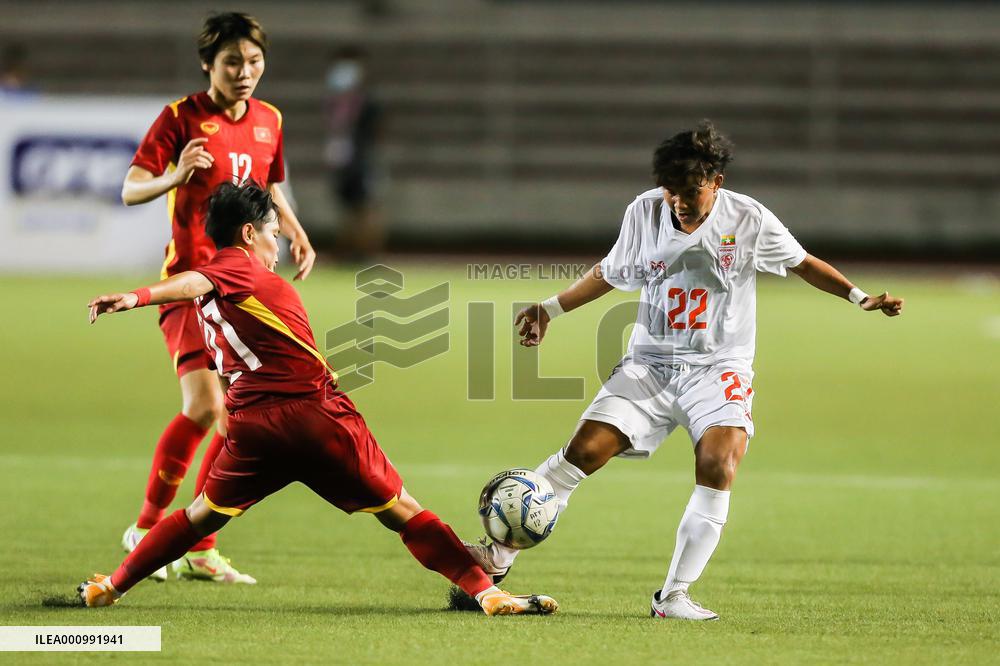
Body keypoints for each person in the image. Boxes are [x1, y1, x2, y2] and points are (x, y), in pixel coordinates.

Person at [465, 121, 904, 620]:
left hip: (719, 368)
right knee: (581, 454)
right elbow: (611, 272)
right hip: (649, 364)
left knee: (718, 463)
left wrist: (859, 296)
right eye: (672, 191)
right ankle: (495, 562)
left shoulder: (748, 218)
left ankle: (673, 595)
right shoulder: (644, 211)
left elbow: (803, 263)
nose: (679, 201)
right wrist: (550, 308)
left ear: (715, 181)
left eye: (690, 190)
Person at [78, 182, 557, 617]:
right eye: (272, 231)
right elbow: (192, 281)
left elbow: (200, 297)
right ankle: (487, 592)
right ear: (248, 234)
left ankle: (112, 587)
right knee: (404, 513)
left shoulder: (222, 292)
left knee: (196, 516)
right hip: (316, 415)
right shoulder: (231, 269)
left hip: (254, 429)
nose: (278, 243)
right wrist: (139, 296)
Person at [118, 12, 316, 584]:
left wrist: (294, 229)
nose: (245, 71)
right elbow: (131, 188)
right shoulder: (180, 118)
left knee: (236, 423)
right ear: (209, 65)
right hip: (188, 287)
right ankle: (148, 527)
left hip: (241, 296)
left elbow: (269, 187)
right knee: (205, 407)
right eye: (233, 62)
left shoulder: (269, 120)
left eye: (254, 61)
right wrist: (173, 177)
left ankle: (201, 546)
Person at [324, 45, 385, 260]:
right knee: (348, 207)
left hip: (361, 161)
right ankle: (349, 250)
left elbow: (375, 132)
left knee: (365, 206)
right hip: (344, 160)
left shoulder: (367, 101)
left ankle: (367, 251)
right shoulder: (338, 101)